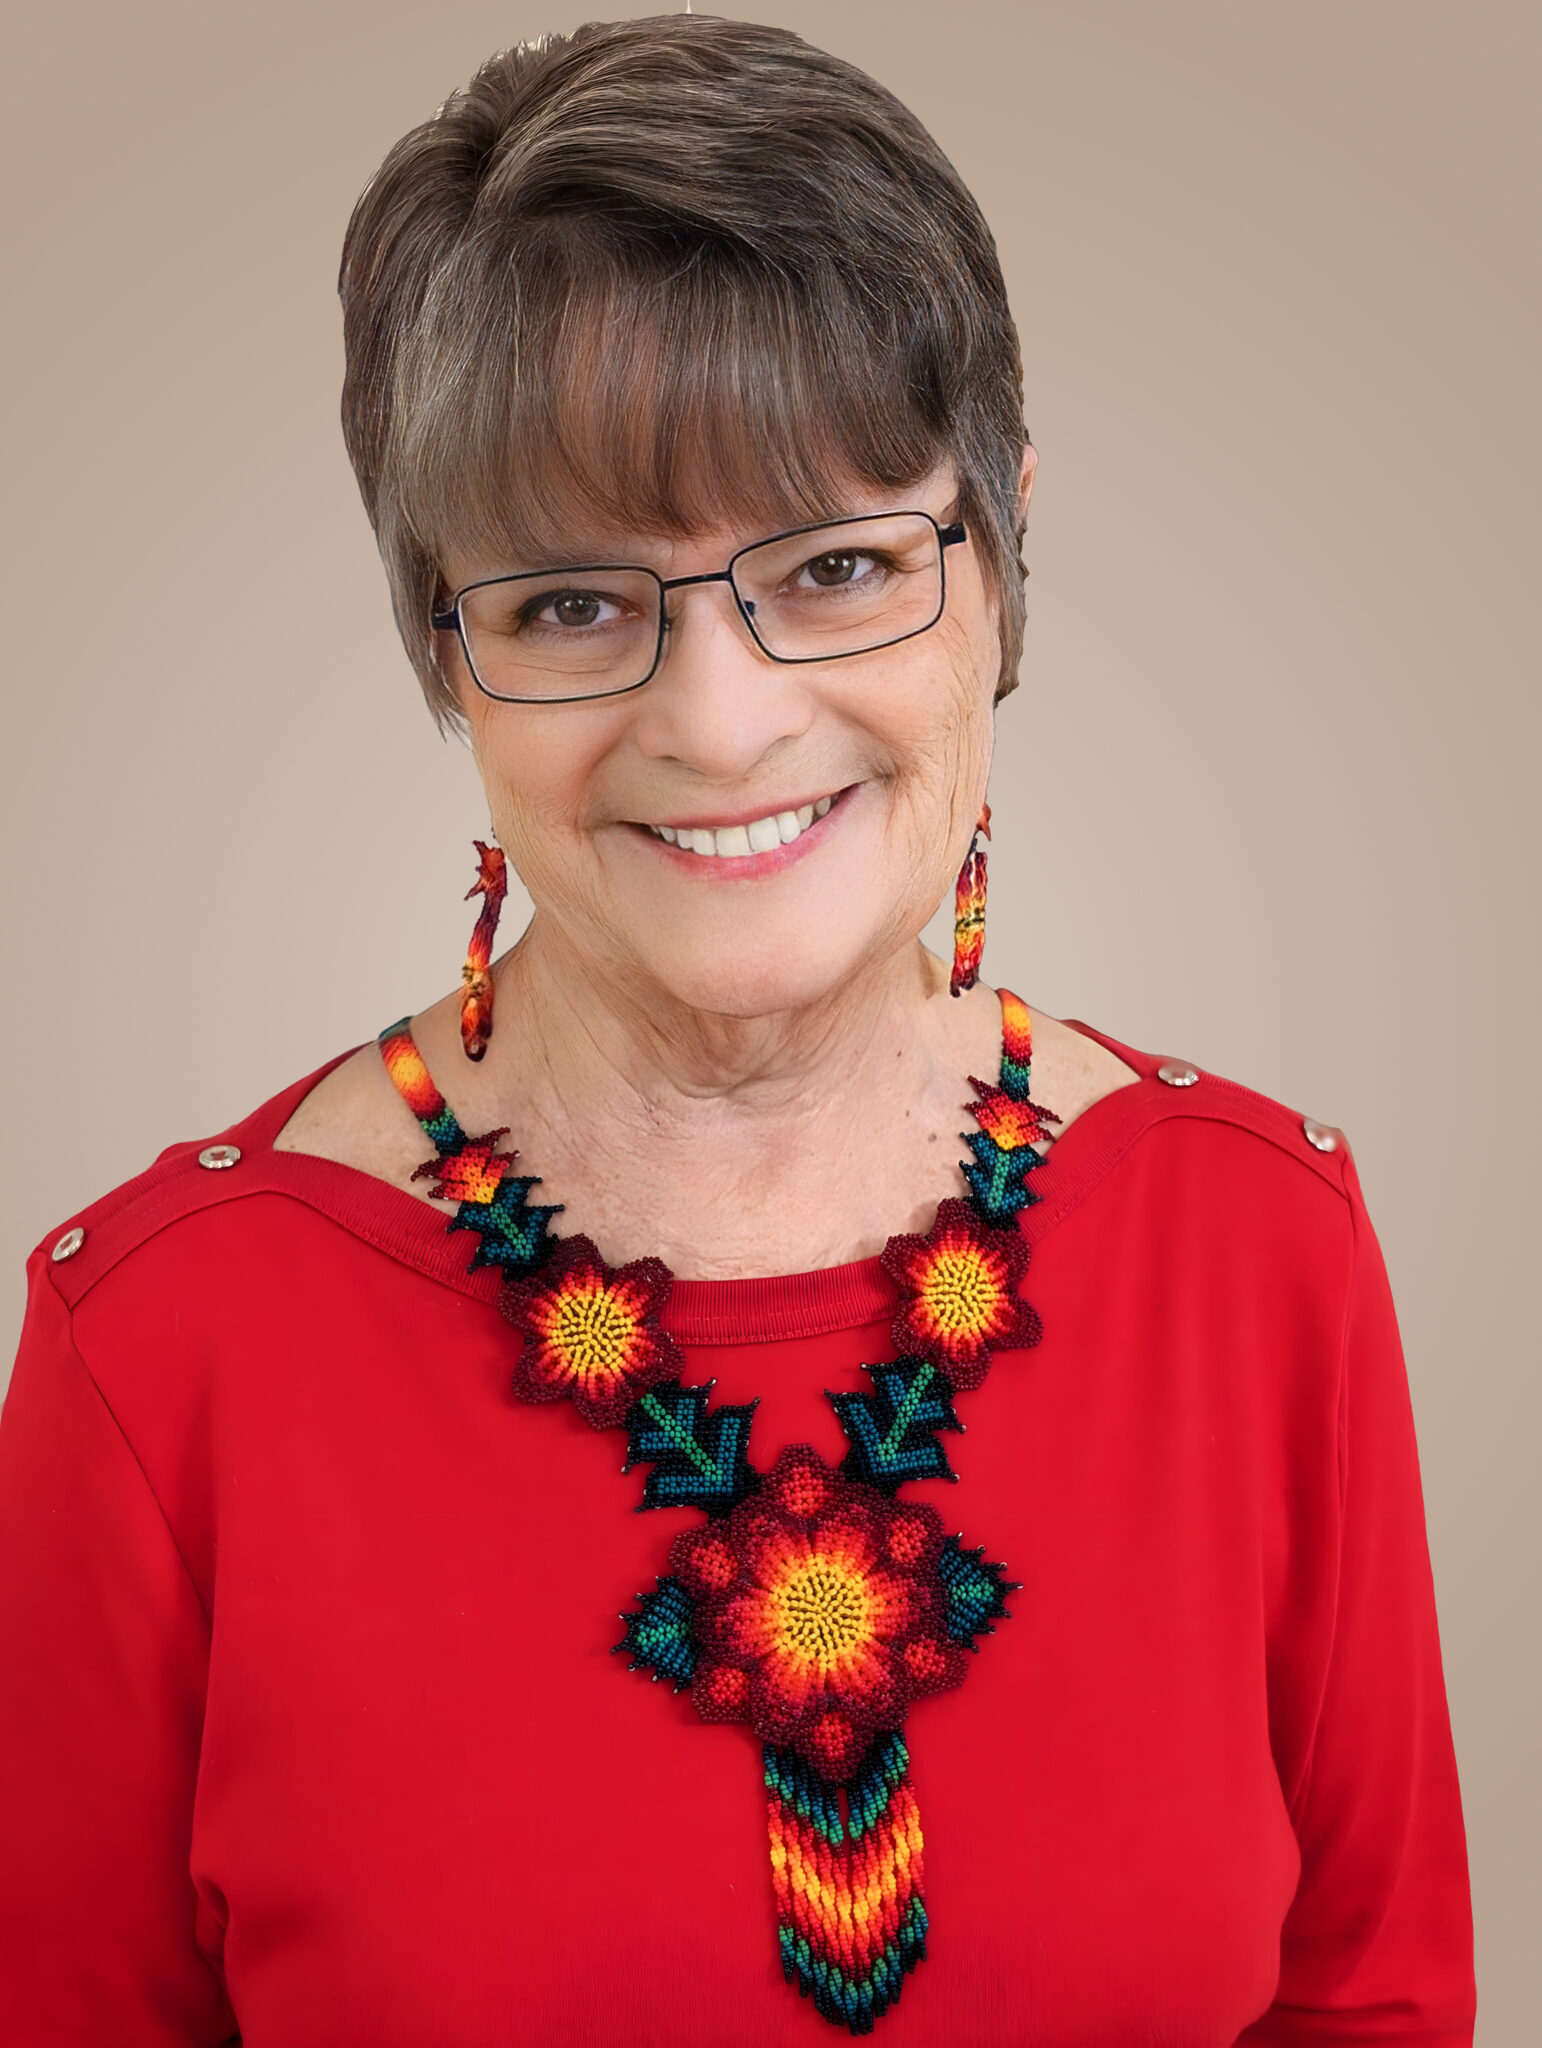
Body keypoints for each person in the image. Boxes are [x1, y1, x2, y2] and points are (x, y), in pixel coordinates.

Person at [0, 15, 1474, 2046]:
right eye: (572, 604)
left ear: (1007, 553)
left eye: (841, 564)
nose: (717, 722)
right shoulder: (159, 1353)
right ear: (443, 645)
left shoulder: (1263, 1245)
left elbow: (1376, 2005)